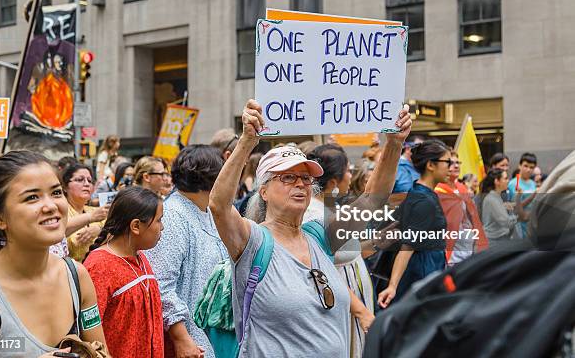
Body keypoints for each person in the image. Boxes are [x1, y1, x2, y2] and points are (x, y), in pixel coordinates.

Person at [209, 99, 411, 357]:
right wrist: (247, 141)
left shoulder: (319, 237)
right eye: (288, 177)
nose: (300, 184)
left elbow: (371, 201)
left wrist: (394, 144)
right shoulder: (253, 241)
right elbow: (219, 206)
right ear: (264, 191)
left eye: (306, 178)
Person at [0, 151, 108, 357]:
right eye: (32, 197)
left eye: (56, 193)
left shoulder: (76, 277)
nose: (51, 206)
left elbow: (102, 350)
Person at [146, 145, 227, 358]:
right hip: (192, 342)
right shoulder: (173, 215)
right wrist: (182, 338)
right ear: (211, 178)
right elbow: (161, 284)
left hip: (213, 335)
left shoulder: (209, 210)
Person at [304, 144, 374, 358]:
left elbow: (347, 252)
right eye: (348, 171)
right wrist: (360, 311)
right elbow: (324, 269)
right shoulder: (314, 215)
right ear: (334, 182)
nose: (351, 175)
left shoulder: (328, 208)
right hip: (342, 306)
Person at [83, 186, 164, 357]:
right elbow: (89, 335)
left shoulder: (140, 258)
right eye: (159, 220)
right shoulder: (99, 267)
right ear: (136, 226)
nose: (162, 227)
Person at [378, 140, 451, 308]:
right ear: (431, 165)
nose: (451, 166)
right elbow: (407, 247)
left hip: (428, 273)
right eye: (447, 162)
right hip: (423, 277)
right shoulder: (423, 199)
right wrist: (393, 286)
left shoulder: (421, 192)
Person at [435, 151, 487, 266]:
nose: (457, 166)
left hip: (469, 251)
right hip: (451, 255)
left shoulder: (462, 188)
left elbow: (473, 218)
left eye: (458, 162)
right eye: (452, 163)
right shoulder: (438, 190)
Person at [61, 164, 109, 262]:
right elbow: (59, 231)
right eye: (79, 180)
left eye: (90, 181)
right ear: (65, 187)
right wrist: (90, 217)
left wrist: (100, 230)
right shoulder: (59, 211)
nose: (86, 184)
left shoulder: (97, 211)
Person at [480, 169, 527, 247]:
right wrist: (520, 217)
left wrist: (518, 196)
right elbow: (507, 222)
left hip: (498, 241)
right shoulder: (492, 199)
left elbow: (512, 206)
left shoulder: (496, 197)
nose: (508, 181)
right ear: (497, 181)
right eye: (505, 178)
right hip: (494, 243)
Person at [507, 153, 538, 238]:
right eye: (526, 166)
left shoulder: (533, 184)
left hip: (532, 226)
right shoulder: (512, 184)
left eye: (531, 167)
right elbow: (512, 207)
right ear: (519, 166)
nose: (528, 169)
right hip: (518, 227)